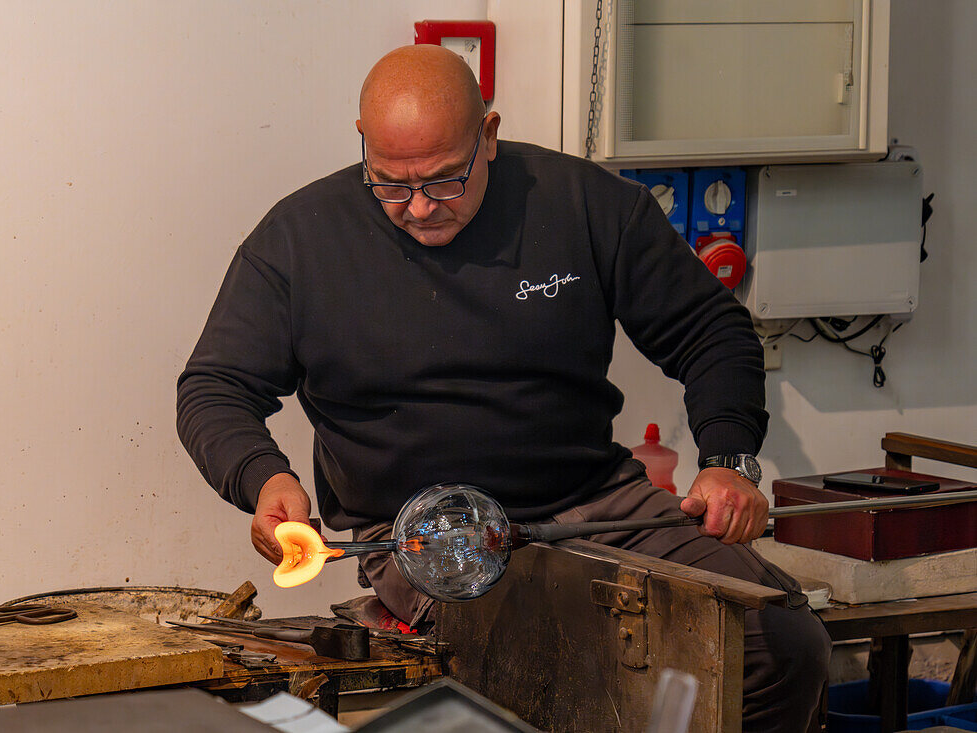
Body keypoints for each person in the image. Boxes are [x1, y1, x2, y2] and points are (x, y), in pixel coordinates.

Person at [178, 44, 830, 732]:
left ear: (488, 135)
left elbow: (711, 328)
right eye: (391, 184)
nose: (420, 209)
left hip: (598, 504)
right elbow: (213, 387)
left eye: (444, 181)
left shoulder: (584, 204)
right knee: (551, 666)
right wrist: (263, 478)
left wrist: (729, 460)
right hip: (421, 533)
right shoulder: (298, 240)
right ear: (363, 146)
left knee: (781, 643)